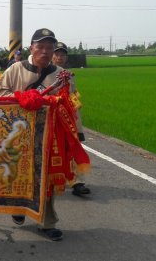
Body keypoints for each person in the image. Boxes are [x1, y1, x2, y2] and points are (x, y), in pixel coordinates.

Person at [0, 28, 74, 241]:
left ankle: (48, 222)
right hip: (18, 135)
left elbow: (72, 103)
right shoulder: (15, 70)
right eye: (41, 47)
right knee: (19, 173)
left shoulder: (60, 75)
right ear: (32, 48)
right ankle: (19, 208)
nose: (45, 52)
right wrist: (23, 98)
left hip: (50, 135)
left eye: (50, 47)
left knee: (47, 179)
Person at [52, 42, 90, 196]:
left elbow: (73, 95)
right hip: (52, 119)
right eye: (57, 54)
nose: (59, 57)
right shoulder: (47, 73)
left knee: (73, 148)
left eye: (62, 55)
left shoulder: (68, 74)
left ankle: (77, 182)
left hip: (69, 118)